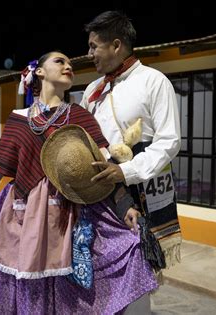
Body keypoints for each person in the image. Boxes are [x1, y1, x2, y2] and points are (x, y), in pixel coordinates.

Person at [0, 51, 158, 314]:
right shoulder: (18, 119)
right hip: (22, 217)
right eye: (60, 62)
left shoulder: (79, 116)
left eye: (70, 63)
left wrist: (125, 206)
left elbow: (105, 166)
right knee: (28, 290)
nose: (68, 66)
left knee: (70, 293)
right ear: (39, 71)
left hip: (68, 216)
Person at [80, 11, 182, 313]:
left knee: (135, 277)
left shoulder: (154, 81)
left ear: (115, 45)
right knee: (99, 273)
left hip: (140, 194)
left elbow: (169, 141)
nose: (89, 54)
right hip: (99, 195)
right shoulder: (92, 91)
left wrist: (124, 171)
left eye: (93, 46)